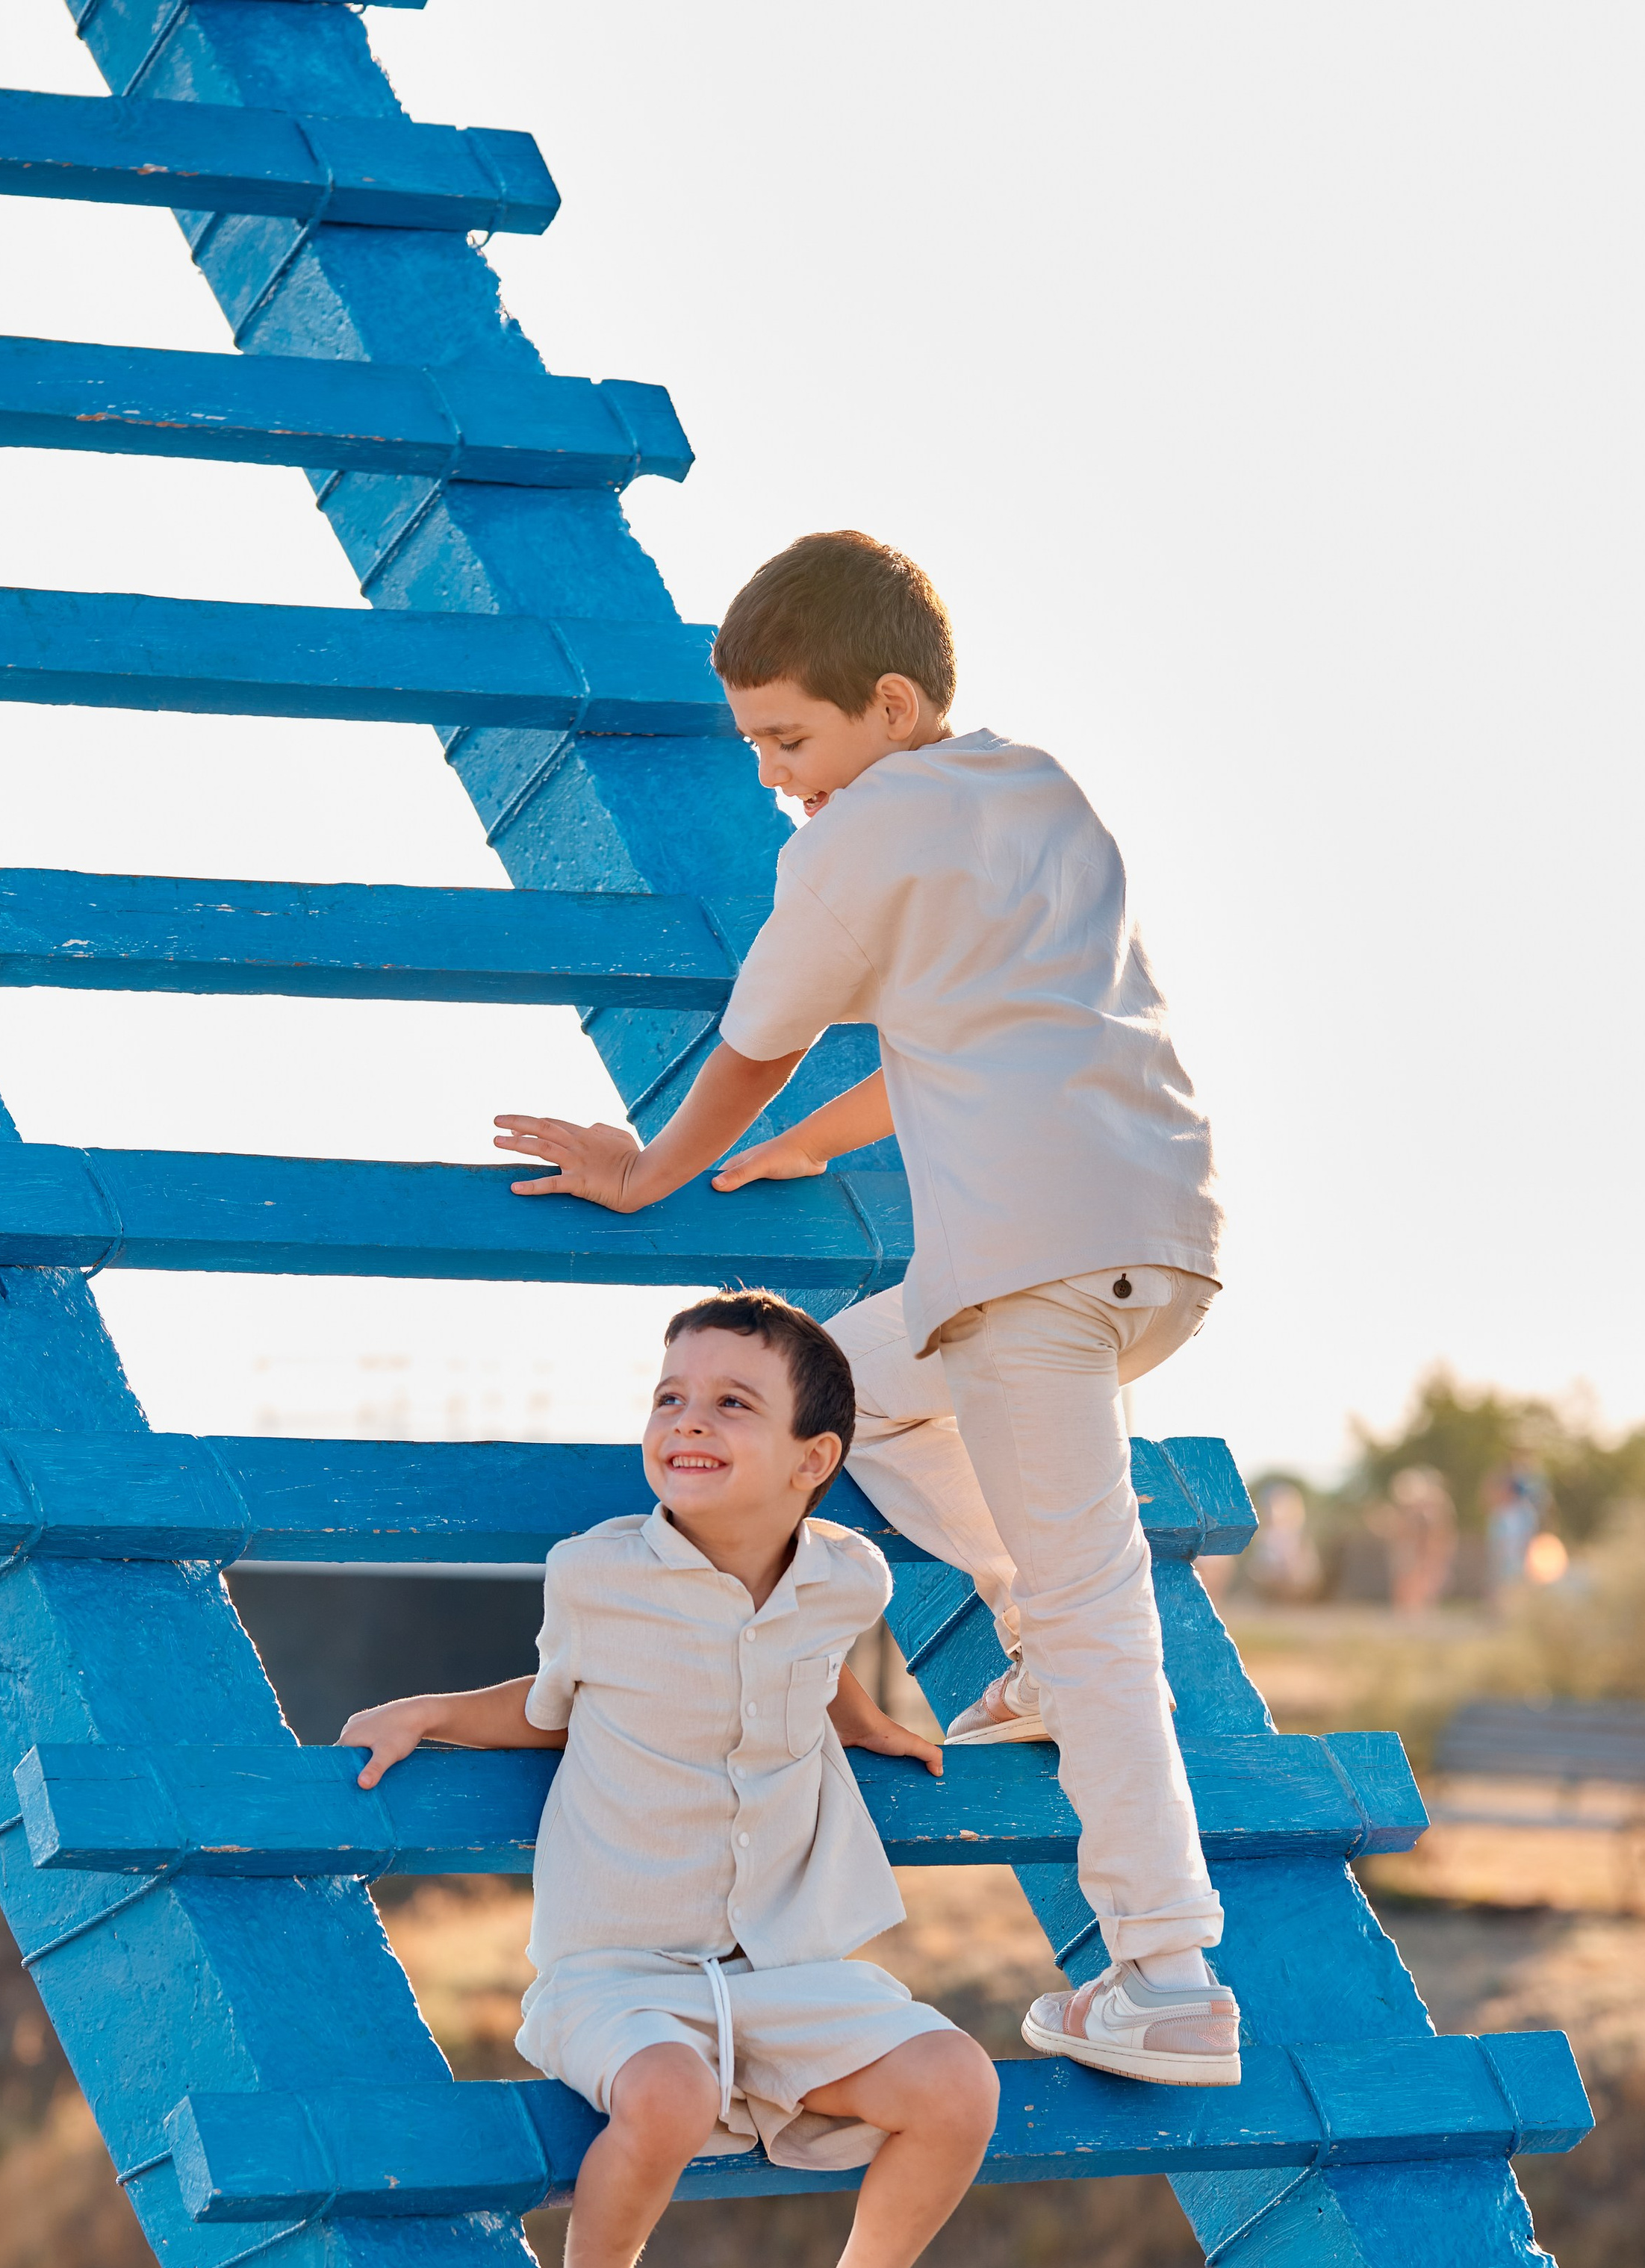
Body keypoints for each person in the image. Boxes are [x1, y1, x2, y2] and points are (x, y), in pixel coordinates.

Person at [494, 531, 1240, 2089]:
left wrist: (654, 1173)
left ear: (888, 706)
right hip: (1151, 1240)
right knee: (851, 1395)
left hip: (1024, 1270)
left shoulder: (854, 837)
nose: (777, 779)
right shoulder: (1035, 791)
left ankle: (1165, 1977)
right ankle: (1028, 1639)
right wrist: (813, 1148)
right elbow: (976, 1022)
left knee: (1099, 1600)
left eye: (790, 740)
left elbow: (761, 1035)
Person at [339, 1291, 1001, 2268]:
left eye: (732, 1404)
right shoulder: (599, 1576)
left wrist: (866, 1721)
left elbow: (816, 1647)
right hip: (618, 1971)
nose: (687, 1421)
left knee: (958, 2085)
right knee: (671, 2093)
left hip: (783, 1965)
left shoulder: (851, 1574)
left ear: (814, 1460)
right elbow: (552, 1708)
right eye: (670, 1398)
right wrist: (438, 1711)